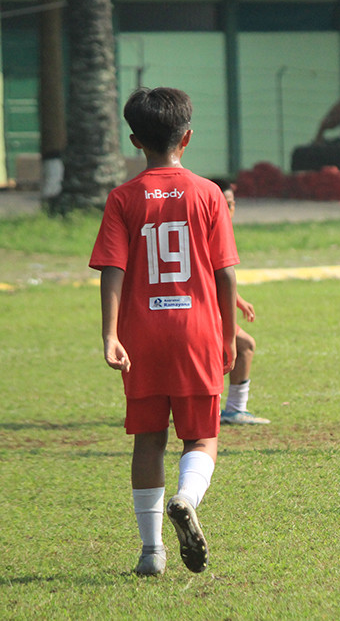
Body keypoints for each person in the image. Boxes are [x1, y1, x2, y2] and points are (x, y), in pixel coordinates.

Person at [90, 87, 239, 576]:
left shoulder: (123, 198)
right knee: (202, 438)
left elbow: (111, 267)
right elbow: (225, 273)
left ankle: (152, 552)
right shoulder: (208, 193)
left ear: (135, 141)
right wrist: (228, 336)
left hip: (142, 335)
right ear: (188, 137)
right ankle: (186, 497)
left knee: (148, 440)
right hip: (195, 329)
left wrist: (111, 334)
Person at [210, 179, 270, 424]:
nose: (228, 210)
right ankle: (234, 410)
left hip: (194, 306)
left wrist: (238, 300)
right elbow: (217, 275)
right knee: (243, 345)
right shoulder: (209, 230)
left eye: (231, 204)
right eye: (222, 204)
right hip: (201, 308)